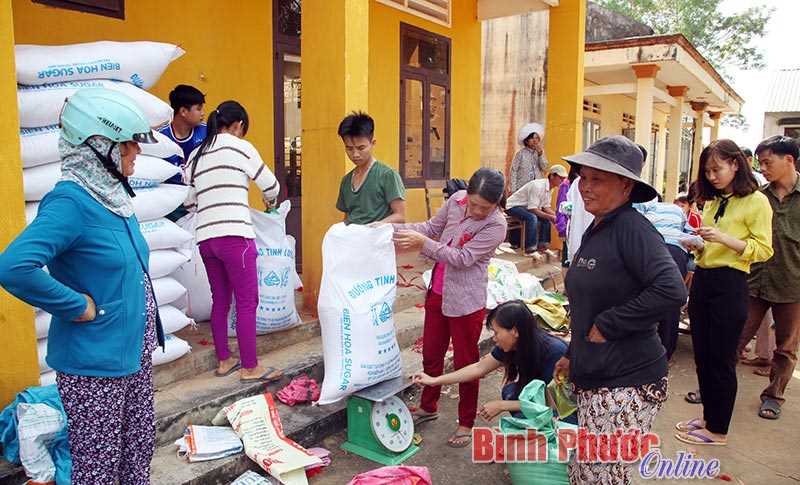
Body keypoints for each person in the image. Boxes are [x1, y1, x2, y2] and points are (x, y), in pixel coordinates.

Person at [0, 88, 163, 483]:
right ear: (98, 147)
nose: (135, 153)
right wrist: (78, 306)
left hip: (132, 358)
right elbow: (13, 266)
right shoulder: (70, 203)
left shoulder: (113, 200)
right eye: (127, 146)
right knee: (99, 471)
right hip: (94, 366)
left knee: (138, 454)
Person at [553, 135, 687, 484]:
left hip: (627, 381)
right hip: (595, 373)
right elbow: (590, 302)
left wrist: (611, 323)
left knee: (600, 477)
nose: (586, 187)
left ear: (626, 185)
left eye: (598, 179)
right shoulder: (596, 230)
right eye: (583, 177)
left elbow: (672, 289)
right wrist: (573, 353)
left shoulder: (633, 229)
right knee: (586, 473)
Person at [391, 168, 507, 448]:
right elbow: (431, 229)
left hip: (466, 301)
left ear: (496, 203)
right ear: (466, 194)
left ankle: (466, 421)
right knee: (431, 353)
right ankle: (428, 406)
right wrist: (391, 229)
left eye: (484, 207)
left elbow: (463, 258)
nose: (477, 211)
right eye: (473, 203)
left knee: (467, 362)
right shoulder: (456, 200)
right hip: (438, 292)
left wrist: (425, 244)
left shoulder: (496, 225)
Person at [675, 139, 773, 445]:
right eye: (707, 171)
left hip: (730, 283)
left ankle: (718, 429)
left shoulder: (756, 201)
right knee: (703, 354)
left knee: (721, 357)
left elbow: (763, 249)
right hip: (705, 278)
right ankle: (708, 417)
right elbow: (713, 247)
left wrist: (724, 239)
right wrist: (699, 244)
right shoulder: (715, 201)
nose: (712, 176)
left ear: (735, 163)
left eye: (717, 169)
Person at [184, 100, 283, 383]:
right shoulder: (241, 147)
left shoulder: (196, 155)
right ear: (238, 125)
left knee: (221, 301)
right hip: (236, 237)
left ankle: (225, 360)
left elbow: (189, 200)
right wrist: (269, 200)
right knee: (247, 301)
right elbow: (271, 185)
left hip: (206, 240)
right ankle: (250, 366)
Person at [412, 300, 568, 421]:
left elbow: (554, 404)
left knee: (514, 401)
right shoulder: (514, 345)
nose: (493, 338)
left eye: (496, 332)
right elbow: (479, 368)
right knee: (511, 392)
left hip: (566, 413)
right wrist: (434, 380)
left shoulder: (554, 352)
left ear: (514, 331)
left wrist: (501, 406)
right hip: (544, 402)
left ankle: (546, 442)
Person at [735, 135, 800, 420]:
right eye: (760, 163)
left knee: (785, 348)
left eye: (767, 162)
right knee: (735, 336)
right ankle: (716, 387)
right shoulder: (758, 197)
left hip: (793, 284)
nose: (763, 168)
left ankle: (773, 396)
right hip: (754, 281)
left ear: (789, 160)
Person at [634, 196, 694, 359]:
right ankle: (666, 352)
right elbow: (690, 234)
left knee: (643, 298)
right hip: (675, 251)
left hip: (650, 250)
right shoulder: (678, 212)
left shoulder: (642, 208)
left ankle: (641, 349)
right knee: (671, 301)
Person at [336, 112, 405, 225]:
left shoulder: (387, 175)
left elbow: (400, 216)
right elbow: (347, 218)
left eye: (361, 148)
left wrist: (378, 224)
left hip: (378, 238)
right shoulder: (346, 181)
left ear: (373, 143)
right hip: (354, 238)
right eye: (349, 149)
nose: (355, 154)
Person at [505, 165, 567, 257]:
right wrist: (551, 217)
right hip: (512, 206)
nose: (562, 181)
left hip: (525, 208)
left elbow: (545, 207)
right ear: (552, 176)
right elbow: (532, 209)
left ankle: (543, 246)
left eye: (563, 178)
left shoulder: (550, 188)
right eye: (560, 178)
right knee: (532, 217)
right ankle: (530, 249)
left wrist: (557, 216)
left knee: (545, 219)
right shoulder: (538, 186)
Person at [158, 84, 207, 184]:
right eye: (199, 109)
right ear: (183, 111)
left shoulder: (206, 131)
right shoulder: (161, 137)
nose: (203, 113)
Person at [509, 122, 548, 193]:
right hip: (522, 188)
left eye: (536, 138)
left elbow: (545, 168)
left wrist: (540, 155)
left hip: (537, 188)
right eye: (532, 138)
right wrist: (513, 190)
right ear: (526, 141)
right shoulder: (520, 154)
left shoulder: (541, 152)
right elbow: (514, 171)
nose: (534, 140)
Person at [556, 167, 577, 275]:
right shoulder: (566, 185)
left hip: (581, 229)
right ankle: (566, 289)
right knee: (566, 258)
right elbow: (562, 207)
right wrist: (562, 229)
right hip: (570, 228)